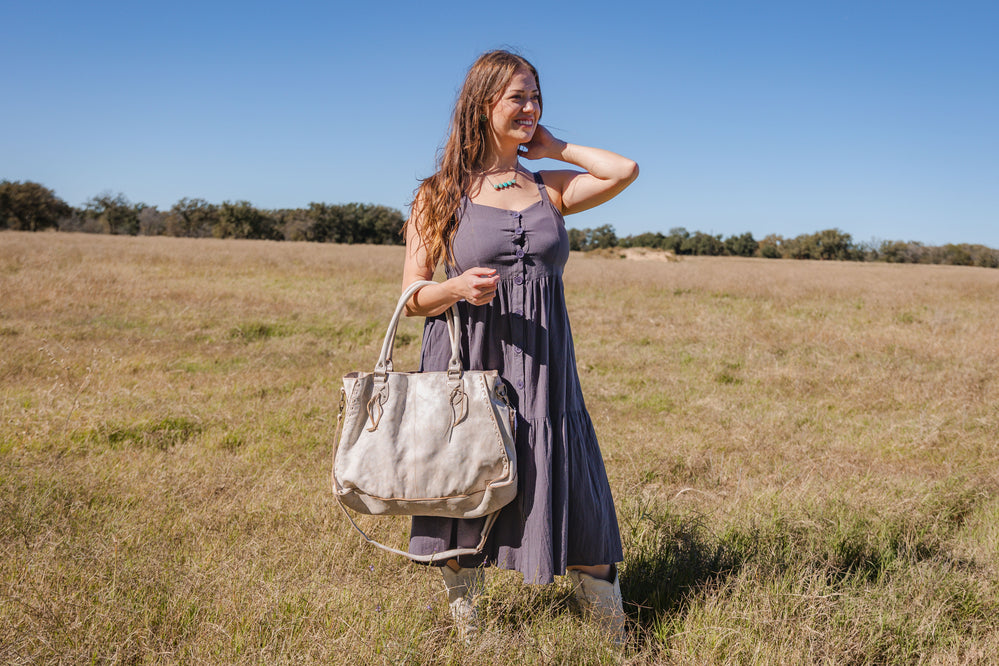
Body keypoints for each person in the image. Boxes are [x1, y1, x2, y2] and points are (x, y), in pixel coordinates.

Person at [400, 49, 638, 640]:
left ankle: (611, 634)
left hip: (546, 367)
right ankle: (468, 629)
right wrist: (452, 287)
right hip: (471, 358)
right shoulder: (438, 195)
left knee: (569, 474)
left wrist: (556, 147)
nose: (530, 108)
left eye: (536, 97)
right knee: (463, 479)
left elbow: (623, 170)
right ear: (482, 106)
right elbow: (410, 297)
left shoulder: (546, 187)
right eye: (518, 98)